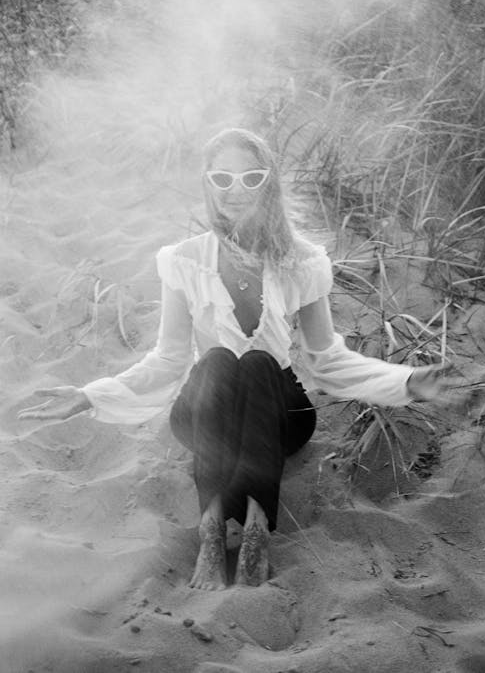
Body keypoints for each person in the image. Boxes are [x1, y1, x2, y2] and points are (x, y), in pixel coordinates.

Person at [18, 128, 457, 591]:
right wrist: (89, 395)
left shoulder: (302, 261)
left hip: (279, 410)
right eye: (222, 178)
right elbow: (168, 359)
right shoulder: (183, 260)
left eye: (251, 177)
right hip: (208, 408)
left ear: (269, 184)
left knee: (260, 364)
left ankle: (254, 532)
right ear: (207, 183)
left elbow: (326, 358)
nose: (235, 190)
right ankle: (211, 530)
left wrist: (405, 381)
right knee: (219, 360)